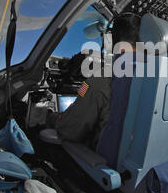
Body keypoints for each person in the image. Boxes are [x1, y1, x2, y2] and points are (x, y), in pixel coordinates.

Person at [45, 13, 142, 151]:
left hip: (101, 164)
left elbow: (70, 130)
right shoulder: (153, 74)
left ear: (112, 41)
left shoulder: (100, 79)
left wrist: (52, 117)